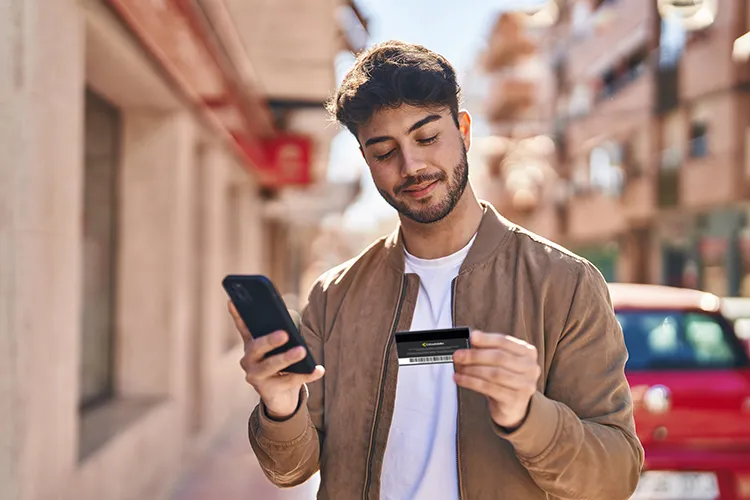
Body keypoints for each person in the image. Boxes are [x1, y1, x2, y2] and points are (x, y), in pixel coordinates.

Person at [230, 40, 644, 500]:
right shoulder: (334, 295)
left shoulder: (564, 284)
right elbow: (291, 471)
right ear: (366, 161)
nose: (412, 166)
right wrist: (281, 405)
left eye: (427, 138)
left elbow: (615, 476)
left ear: (464, 131)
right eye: (385, 151)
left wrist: (529, 416)